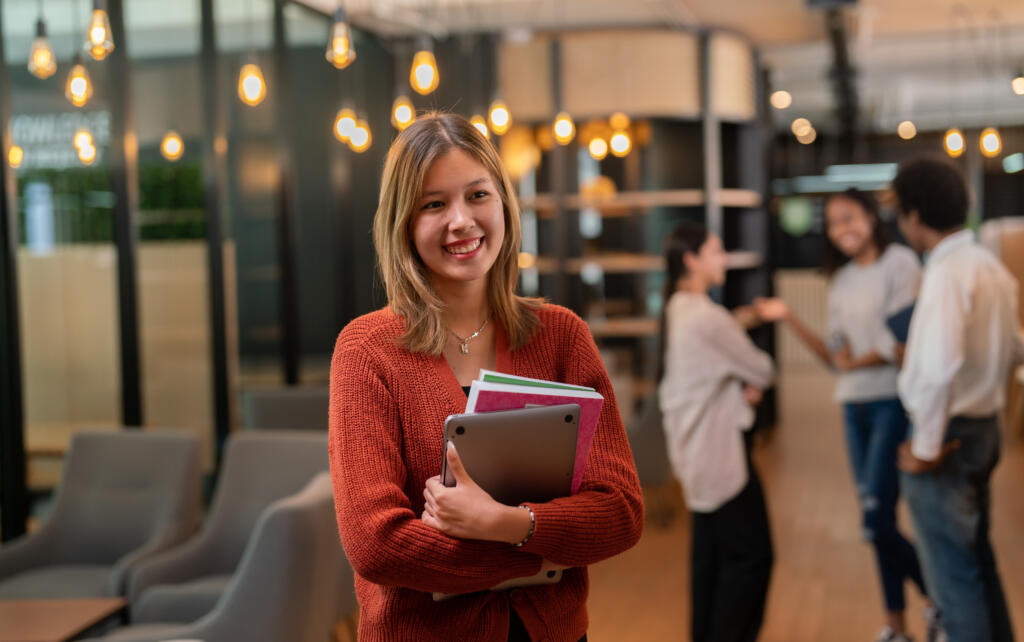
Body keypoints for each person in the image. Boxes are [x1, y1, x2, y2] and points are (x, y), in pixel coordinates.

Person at [328, 112, 644, 642]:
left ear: (503, 202)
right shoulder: (367, 351)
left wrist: (506, 525)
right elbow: (375, 542)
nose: (461, 220)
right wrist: (539, 557)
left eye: (477, 195)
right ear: (403, 222)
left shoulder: (561, 336)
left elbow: (621, 510)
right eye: (434, 204)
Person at [755, 189, 934, 642]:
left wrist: (858, 359)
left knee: (874, 521)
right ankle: (897, 627)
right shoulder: (841, 279)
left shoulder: (900, 263)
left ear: (872, 217)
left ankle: (939, 601)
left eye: (850, 218)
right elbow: (836, 360)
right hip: (853, 406)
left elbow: (903, 345)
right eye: (834, 223)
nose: (842, 230)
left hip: (892, 401)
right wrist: (789, 318)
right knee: (880, 523)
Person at [892, 157, 1023, 642]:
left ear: (915, 215)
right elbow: (1013, 348)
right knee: (976, 561)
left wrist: (925, 449)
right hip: (984, 428)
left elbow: (937, 370)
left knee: (952, 581)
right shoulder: (989, 265)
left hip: (946, 437)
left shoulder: (947, 274)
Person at [658, 223, 775, 642]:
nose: (723, 258)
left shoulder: (677, 306)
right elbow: (763, 369)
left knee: (709, 562)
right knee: (751, 559)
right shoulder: (708, 318)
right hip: (721, 459)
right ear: (692, 260)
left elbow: (716, 357)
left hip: (694, 458)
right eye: (716, 250)